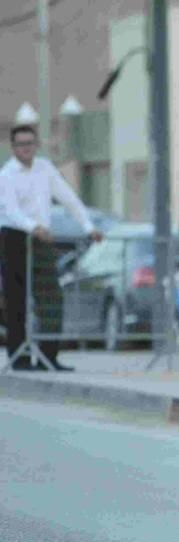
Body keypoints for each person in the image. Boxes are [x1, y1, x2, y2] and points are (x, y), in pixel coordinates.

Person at [0, 124, 103, 371]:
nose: (27, 148)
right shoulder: (6, 174)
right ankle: (20, 358)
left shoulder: (45, 168)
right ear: (14, 148)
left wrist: (88, 226)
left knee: (51, 297)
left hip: (41, 239)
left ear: (36, 145)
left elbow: (68, 197)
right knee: (17, 300)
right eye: (21, 144)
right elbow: (10, 210)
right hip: (14, 237)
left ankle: (49, 357)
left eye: (30, 143)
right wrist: (33, 227)